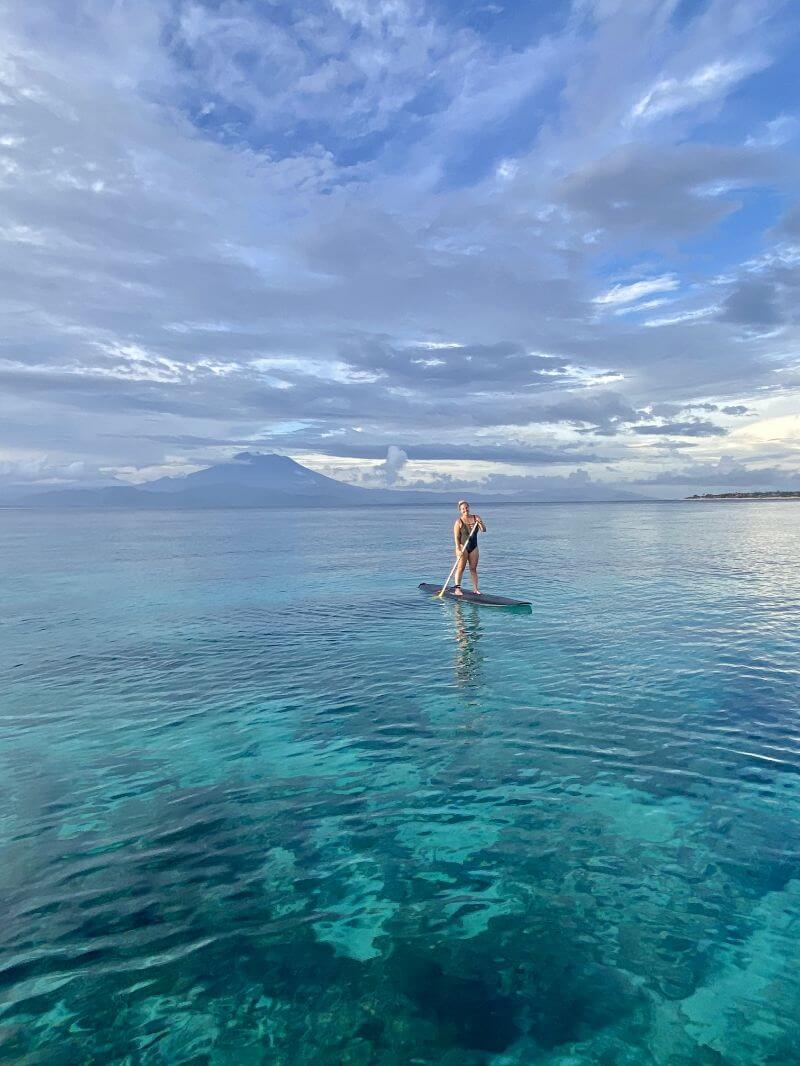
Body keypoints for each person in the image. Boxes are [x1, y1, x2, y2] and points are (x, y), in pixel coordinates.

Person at [452, 500, 486, 596]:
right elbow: (456, 537)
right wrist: (458, 549)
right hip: (463, 547)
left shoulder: (476, 518)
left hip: (474, 547)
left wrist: (480, 523)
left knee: (473, 568)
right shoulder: (458, 522)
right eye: (463, 509)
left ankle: (475, 589)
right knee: (460, 568)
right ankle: (457, 589)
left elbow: (483, 530)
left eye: (466, 508)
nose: (465, 510)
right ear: (460, 510)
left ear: (468, 508)